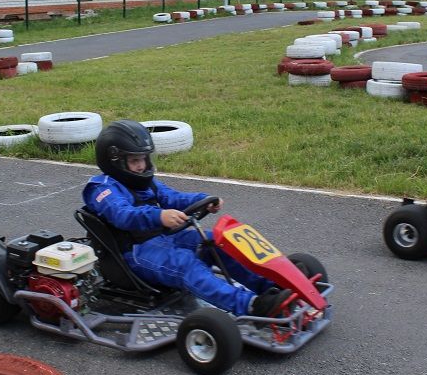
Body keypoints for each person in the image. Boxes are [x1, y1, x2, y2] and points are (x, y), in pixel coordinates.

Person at [83, 119, 291, 317]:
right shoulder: (102, 188)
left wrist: (204, 199)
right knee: (186, 264)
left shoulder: (145, 182)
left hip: (163, 239)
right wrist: (160, 216)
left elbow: (172, 197)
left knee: (216, 242)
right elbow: (122, 215)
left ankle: (270, 288)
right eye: (135, 161)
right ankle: (251, 305)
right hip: (135, 252)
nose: (142, 166)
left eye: (144, 159)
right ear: (115, 161)